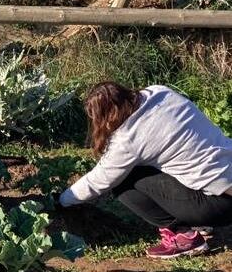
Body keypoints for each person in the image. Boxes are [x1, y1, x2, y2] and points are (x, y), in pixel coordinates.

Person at [58, 81, 232, 258]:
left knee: (123, 182)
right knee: (154, 163)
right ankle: (196, 221)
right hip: (227, 180)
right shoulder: (160, 92)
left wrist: (61, 201)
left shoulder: (128, 139)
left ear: (108, 116)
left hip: (216, 206)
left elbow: (98, 180)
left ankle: (183, 236)